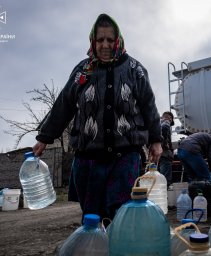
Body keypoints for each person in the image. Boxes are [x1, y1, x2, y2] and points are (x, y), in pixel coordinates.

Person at [33, 14, 162, 220]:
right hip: (88, 157)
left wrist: (156, 139)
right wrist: (44, 137)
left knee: (120, 213)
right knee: (92, 216)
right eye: (100, 40)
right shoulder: (82, 71)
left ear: (117, 41)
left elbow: (149, 105)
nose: (105, 45)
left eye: (110, 40)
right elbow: (64, 103)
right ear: (93, 41)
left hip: (125, 155)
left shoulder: (134, 69)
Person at [177, 132, 211, 217]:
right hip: (191, 150)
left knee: (193, 180)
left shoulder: (206, 137)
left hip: (180, 151)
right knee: (205, 179)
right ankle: (208, 211)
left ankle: (193, 209)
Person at [158, 111, 174, 187]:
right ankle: (166, 194)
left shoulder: (157, 123)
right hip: (164, 154)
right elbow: (165, 127)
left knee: (159, 176)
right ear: (169, 117)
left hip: (158, 153)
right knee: (165, 178)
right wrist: (164, 142)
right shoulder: (166, 121)